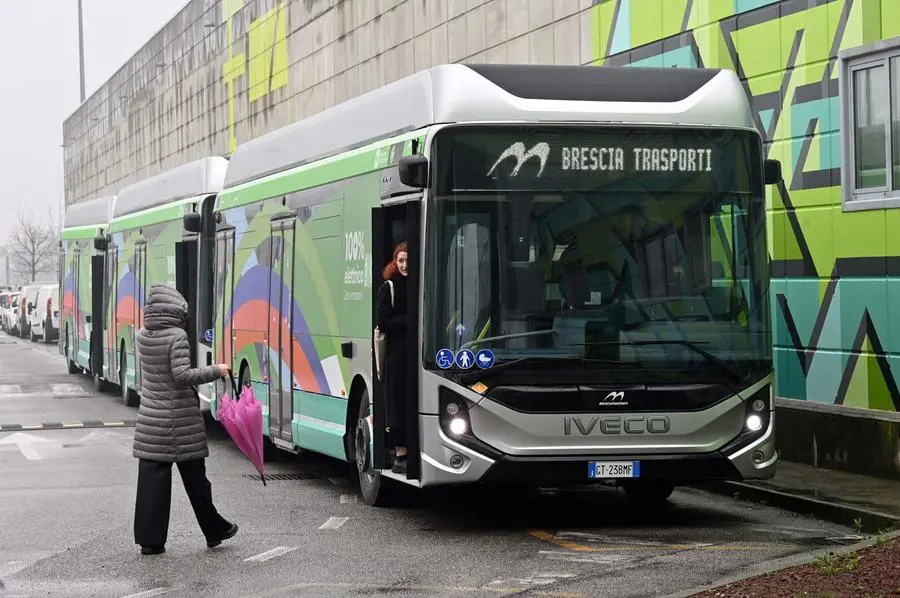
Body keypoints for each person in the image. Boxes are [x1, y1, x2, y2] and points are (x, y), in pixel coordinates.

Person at [132, 283, 236, 555]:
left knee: (151, 483)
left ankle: (150, 541)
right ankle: (214, 529)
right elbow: (182, 376)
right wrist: (217, 370)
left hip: (151, 419)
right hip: (179, 420)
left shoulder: (142, 335)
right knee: (196, 480)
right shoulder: (177, 336)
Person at [375, 242, 409, 474]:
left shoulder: (423, 284)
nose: (405, 265)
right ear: (395, 263)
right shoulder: (389, 287)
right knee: (397, 402)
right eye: (401, 260)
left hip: (416, 354)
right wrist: (412, 320)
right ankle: (400, 454)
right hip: (397, 355)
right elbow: (383, 322)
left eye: (408, 260)